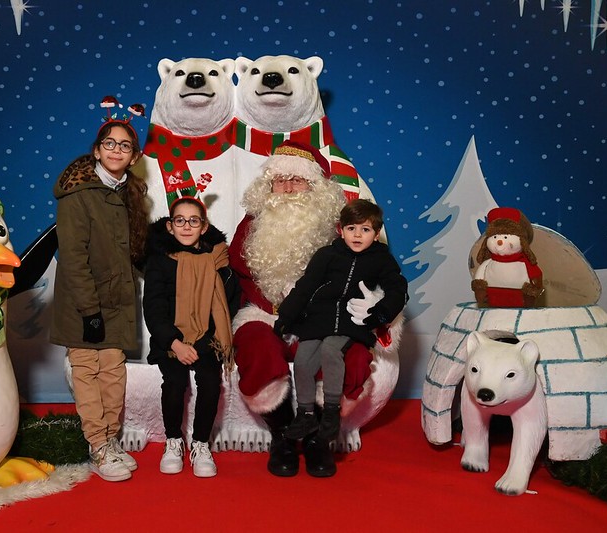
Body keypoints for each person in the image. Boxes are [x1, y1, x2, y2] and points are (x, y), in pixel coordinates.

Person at [229, 140, 383, 478]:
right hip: (266, 311)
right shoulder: (253, 222)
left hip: (321, 315)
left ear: (314, 185)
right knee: (257, 345)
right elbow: (240, 267)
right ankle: (283, 434)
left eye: (296, 180)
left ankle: (318, 437)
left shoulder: (337, 228)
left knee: (351, 354)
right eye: (280, 180)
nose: (287, 187)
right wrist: (272, 301)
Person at [273, 199, 408, 475]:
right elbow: (305, 287)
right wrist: (286, 316)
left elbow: (397, 289)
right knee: (303, 360)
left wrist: (379, 315)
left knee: (331, 352)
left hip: (352, 321)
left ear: (377, 232)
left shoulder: (381, 259)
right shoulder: (326, 255)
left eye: (365, 229)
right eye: (351, 228)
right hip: (318, 318)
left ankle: (331, 412)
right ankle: (307, 414)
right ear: (340, 230)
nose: (357, 235)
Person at [51, 115, 149, 482]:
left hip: (118, 298)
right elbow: (74, 256)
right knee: (88, 372)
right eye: (110, 143)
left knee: (113, 372)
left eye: (124, 145)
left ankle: (110, 438)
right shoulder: (77, 195)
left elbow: (131, 247)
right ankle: (97, 444)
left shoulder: (130, 192)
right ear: (97, 150)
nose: (116, 150)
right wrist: (89, 311)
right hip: (85, 301)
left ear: (134, 156)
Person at [143, 197, 239, 478]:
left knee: (210, 380)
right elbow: (154, 307)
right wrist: (175, 343)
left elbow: (227, 304)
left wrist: (204, 341)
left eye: (193, 221)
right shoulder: (160, 262)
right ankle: (173, 440)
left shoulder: (217, 260)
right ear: (170, 227)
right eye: (180, 221)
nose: (186, 227)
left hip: (206, 337)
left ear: (204, 226)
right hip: (170, 338)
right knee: (174, 381)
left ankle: (200, 443)